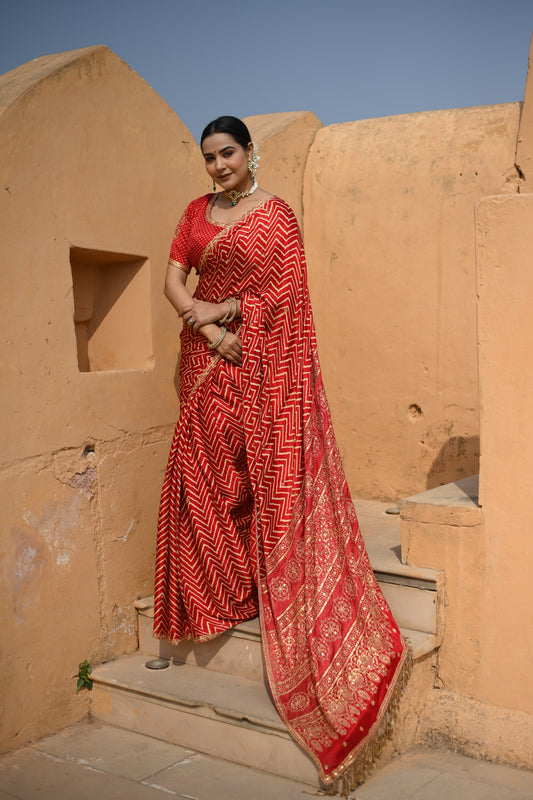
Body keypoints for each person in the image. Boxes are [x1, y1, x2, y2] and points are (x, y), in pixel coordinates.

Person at [153, 116, 409, 794]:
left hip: (261, 361)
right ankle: (219, 597)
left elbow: (286, 294)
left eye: (227, 153)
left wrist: (228, 311)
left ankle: (265, 588)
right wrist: (203, 326)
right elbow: (172, 280)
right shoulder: (192, 213)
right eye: (208, 157)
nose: (217, 166)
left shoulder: (275, 217)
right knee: (207, 477)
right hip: (205, 361)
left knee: (256, 476)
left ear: (249, 152)